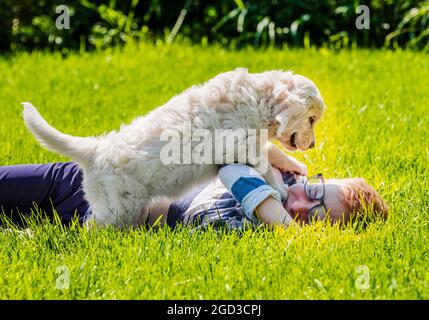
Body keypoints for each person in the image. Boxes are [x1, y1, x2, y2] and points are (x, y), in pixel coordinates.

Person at [0, 161, 388, 230]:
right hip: (86, 180)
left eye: (314, 217)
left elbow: (232, 170)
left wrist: (282, 223)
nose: (300, 203)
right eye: (314, 190)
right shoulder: (277, 175)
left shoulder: (254, 231)